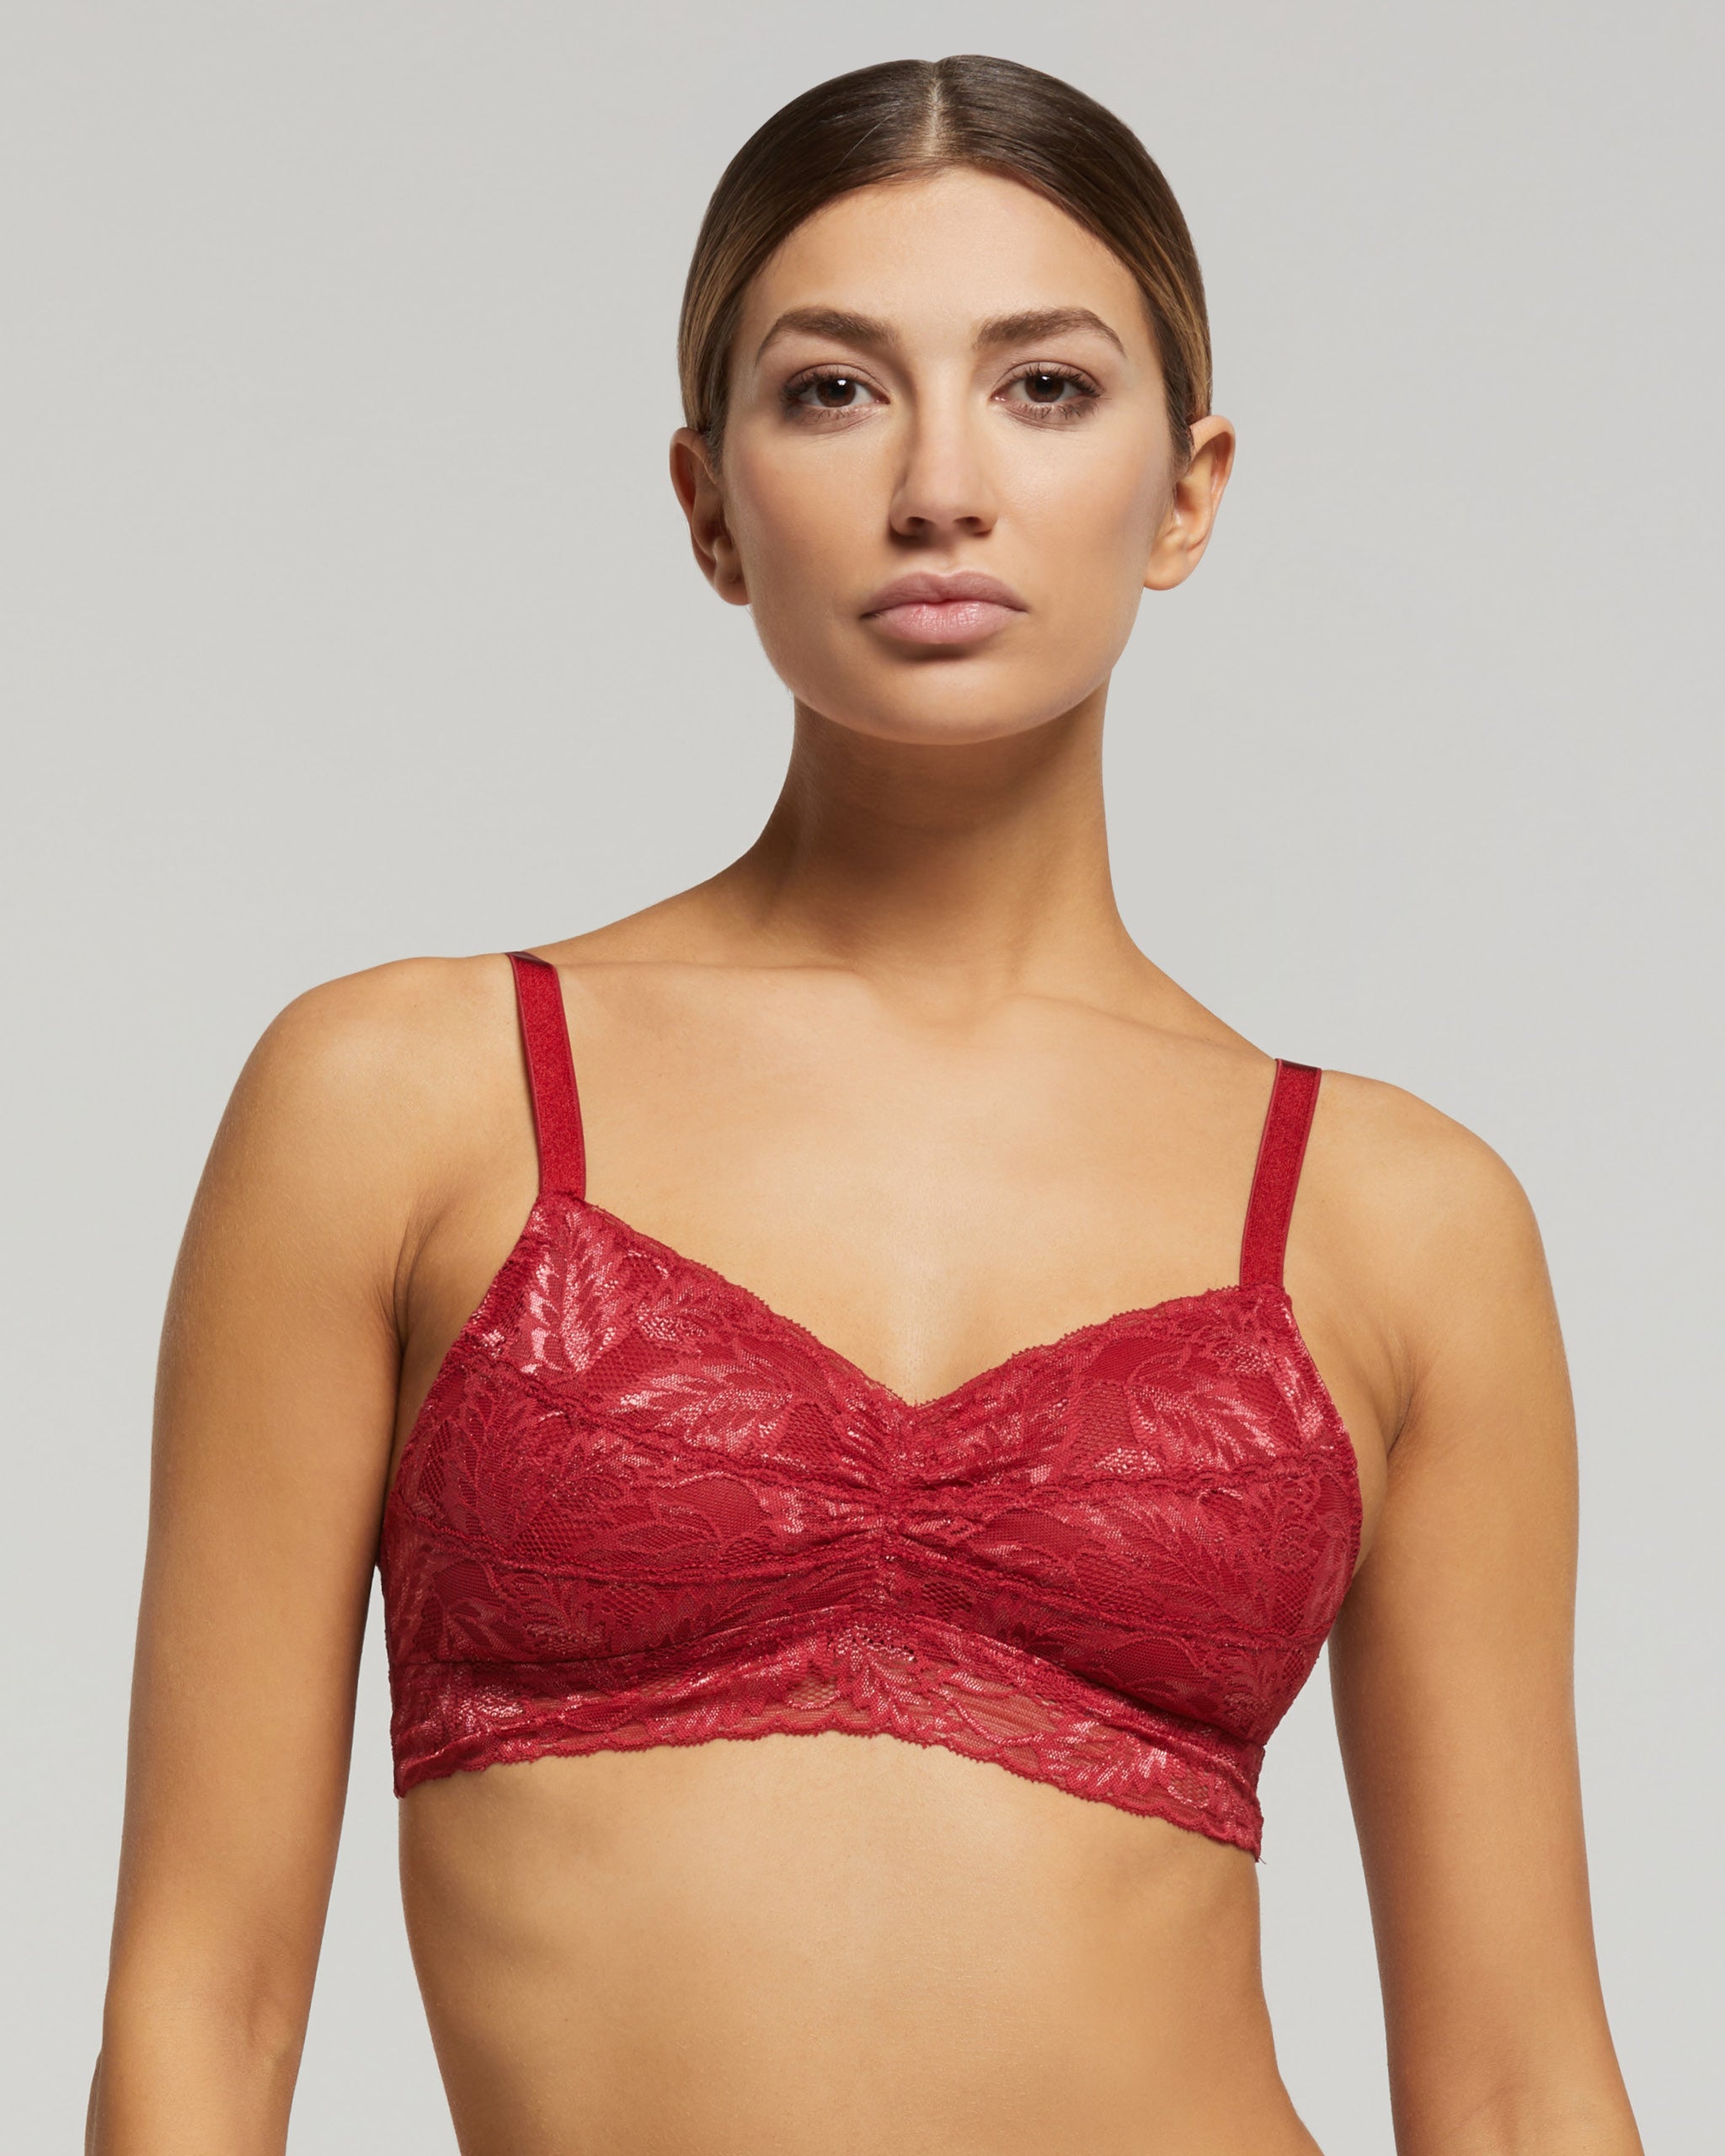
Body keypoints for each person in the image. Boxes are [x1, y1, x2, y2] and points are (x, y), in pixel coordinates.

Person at [88, 54, 1643, 2156]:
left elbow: (1518, 2082)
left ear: (1187, 490)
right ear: (707, 502)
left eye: (1044, 386)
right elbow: (204, 2000)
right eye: (832, 390)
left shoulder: (1398, 1216)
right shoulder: (404, 1101)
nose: (940, 485)